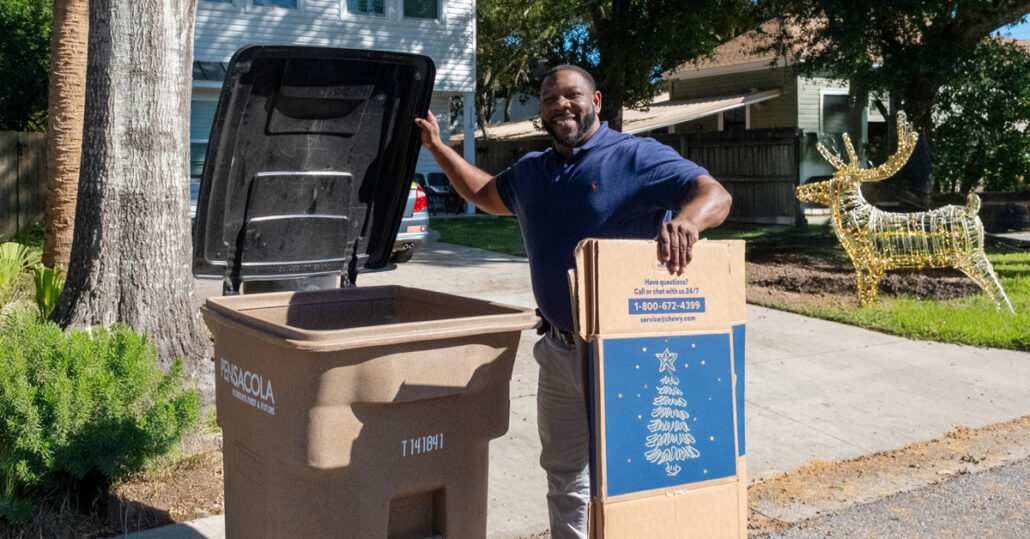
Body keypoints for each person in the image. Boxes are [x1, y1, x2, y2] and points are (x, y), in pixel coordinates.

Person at [415, 65, 732, 539]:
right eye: (549, 98)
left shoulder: (635, 156)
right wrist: (438, 147)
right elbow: (484, 193)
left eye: (571, 95)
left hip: (624, 353)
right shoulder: (532, 173)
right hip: (559, 350)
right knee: (565, 474)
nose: (560, 105)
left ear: (596, 101)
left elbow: (714, 193)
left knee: (627, 474)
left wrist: (688, 222)